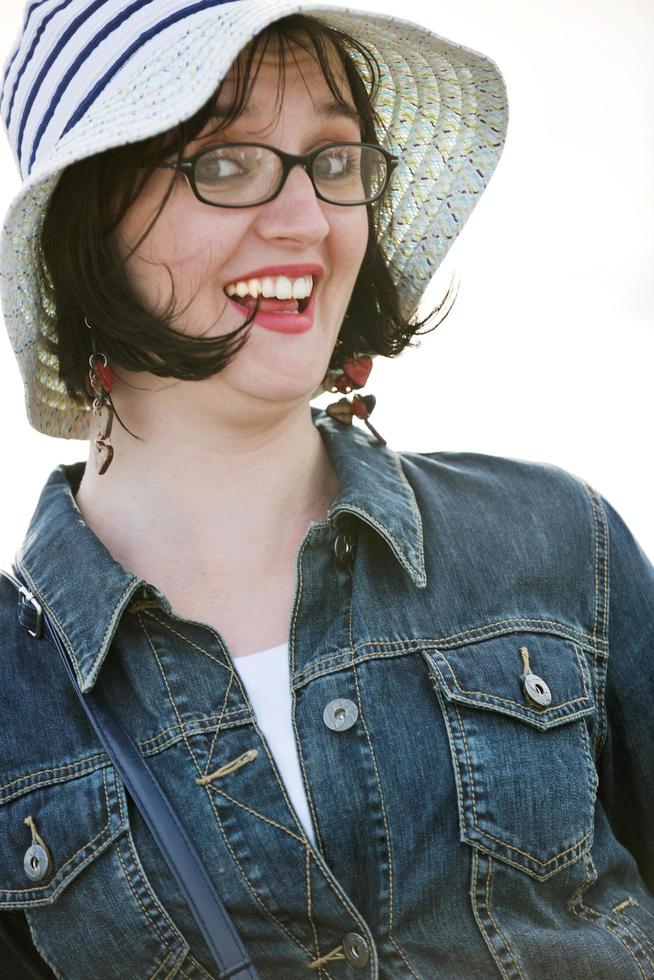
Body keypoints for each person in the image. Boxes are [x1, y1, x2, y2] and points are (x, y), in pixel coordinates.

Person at [0, 1, 652, 978]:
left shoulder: (560, 543)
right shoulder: (18, 702)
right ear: (91, 220)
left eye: (335, 159)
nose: (307, 220)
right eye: (224, 162)